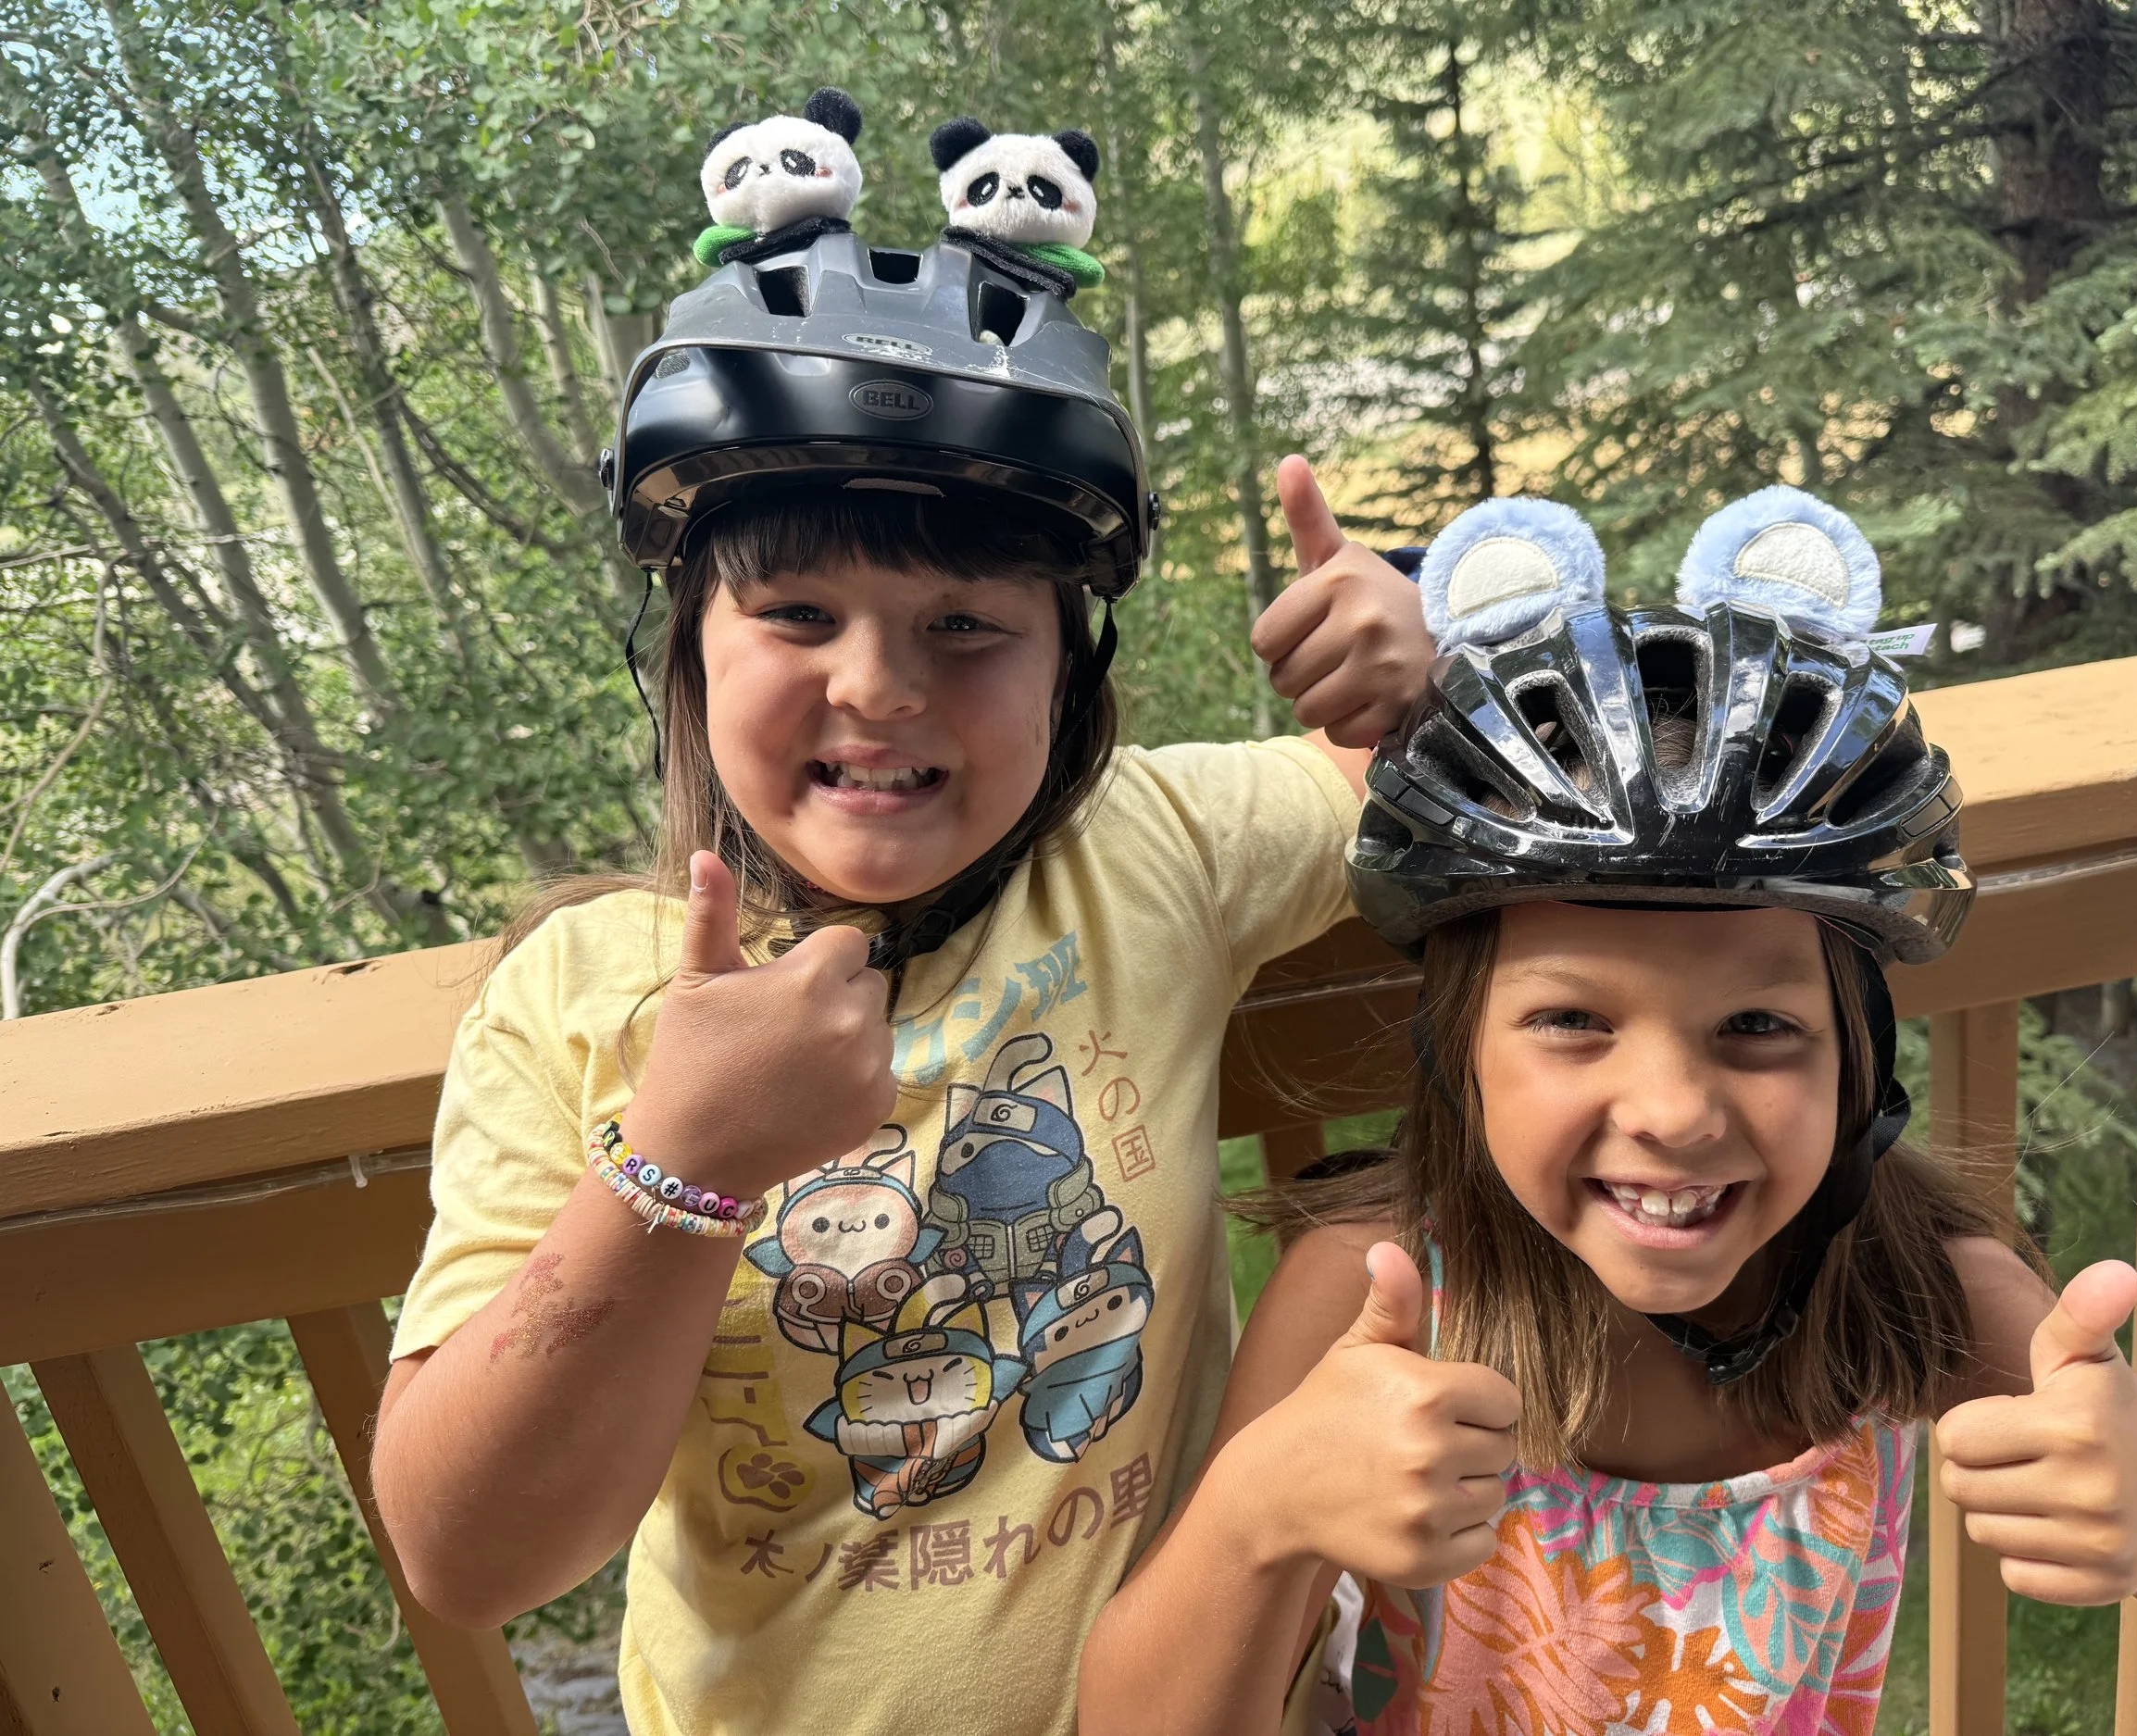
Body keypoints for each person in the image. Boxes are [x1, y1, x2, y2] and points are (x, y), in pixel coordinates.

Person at [368, 207, 1436, 1735]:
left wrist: (1412, 655)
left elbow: (1390, 770)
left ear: (1070, 673)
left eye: (966, 624)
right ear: (688, 651)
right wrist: (682, 1162)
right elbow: (466, 1555)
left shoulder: (1150, 850)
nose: (877, 684)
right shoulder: (580, 1000)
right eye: (797, 612)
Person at [1077, 490, 2137, 1733]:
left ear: (1855, 1061)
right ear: (1458, 1049)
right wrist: (1258, 1515)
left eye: (1760, 1028)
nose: (1671, 1110)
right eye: (1574, 1022)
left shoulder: (1908, 1284)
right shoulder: (1379, 1297)